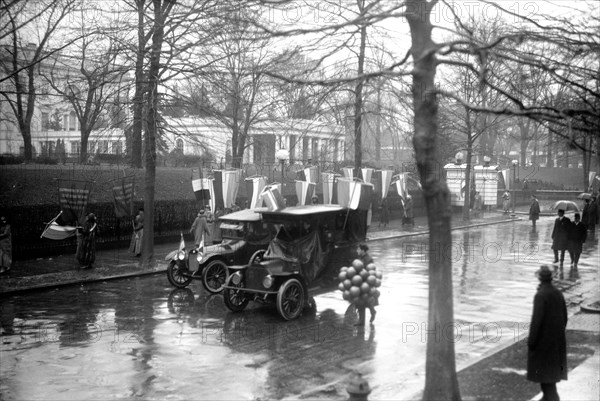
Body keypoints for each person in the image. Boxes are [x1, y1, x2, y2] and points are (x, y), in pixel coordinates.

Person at [527, 265, 568, 401]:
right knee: (550, 380)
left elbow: (536, 321)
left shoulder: (540, 295)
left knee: (546, 381)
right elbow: (565, 317)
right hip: (556, 343)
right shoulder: (558, 293)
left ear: (540, 278)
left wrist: (531, 342)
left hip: (543, 345)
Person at [356, 243, 377, 325]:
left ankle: (373, 311)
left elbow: (371, 272)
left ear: (363, 250)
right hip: (359, 281)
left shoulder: (369, 259)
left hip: (365, 283)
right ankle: (361, 321)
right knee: (359, 301)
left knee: (365, 300)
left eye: (358, 249)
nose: (357, 251)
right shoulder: (359, 258)